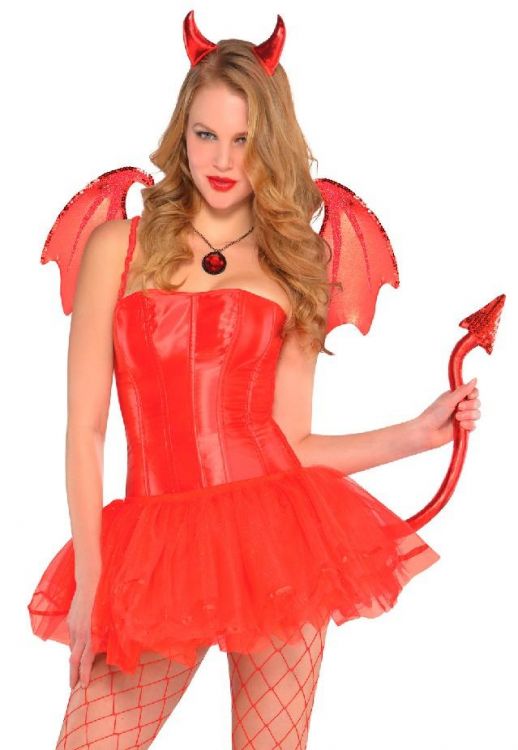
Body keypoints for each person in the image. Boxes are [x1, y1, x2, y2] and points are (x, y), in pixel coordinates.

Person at [27, 11, 481, 750]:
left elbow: (291, 440)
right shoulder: (119, 245)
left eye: (244, 139)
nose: (222, 159)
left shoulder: (295, 262)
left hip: (276, 537)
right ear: (182, 134)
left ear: (271, 143)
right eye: (206, 134)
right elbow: (85, 429)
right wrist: (91, 576)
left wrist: (416, 434)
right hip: (155, 549)